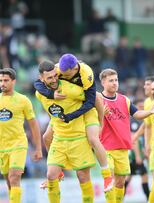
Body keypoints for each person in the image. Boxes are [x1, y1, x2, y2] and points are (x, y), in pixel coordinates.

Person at [34, 54, 113, 191]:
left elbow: (93, 100)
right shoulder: (57, 69)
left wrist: (101, 120)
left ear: (73, 69)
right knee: (46, 137)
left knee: (93, 139)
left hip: (86, 108)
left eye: (61, 74)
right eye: (56, 75)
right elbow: (37, 84)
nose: (58, 76)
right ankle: (58, 170)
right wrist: (51, 95)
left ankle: (107, 176)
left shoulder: (86, 74)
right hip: (66, 110)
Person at [36, 60, 97, 203]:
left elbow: (93, 99)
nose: (54, 80)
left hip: (78, 138)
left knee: (83, 177)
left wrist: (99, 119)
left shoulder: (71, 89)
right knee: (51, 175)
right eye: (49, 78)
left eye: (55, 76)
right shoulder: (40, 94)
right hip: (59, 139)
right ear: (42, 79)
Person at [0, 68, 42, 203]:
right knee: (9, 182)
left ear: (13, 81)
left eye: (6, 80)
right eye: (1, 80)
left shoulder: (23, 100)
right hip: (1, 146)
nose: (2, 83)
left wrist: (38, 148)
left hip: (18, 144)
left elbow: (33, 124)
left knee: (14, 176)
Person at [99, 68, 154, 203]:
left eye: (116, 80)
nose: (115, 83)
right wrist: (100, 114)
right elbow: (92, 123)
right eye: (111, 81)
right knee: (110, 180)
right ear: (103, 82)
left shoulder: (124, 100)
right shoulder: (98, 99)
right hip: (106, 148)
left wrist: (150, 111)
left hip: (122, 148)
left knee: (120, 182)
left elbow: (137, 114)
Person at [124, 100, 150, 200]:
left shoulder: (145, 120)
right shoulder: (134, 121)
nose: (142, 108)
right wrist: (138, 155)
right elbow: (134, 139)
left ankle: (117, 199)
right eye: (139, 106)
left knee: (129, 177)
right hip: (134, 155)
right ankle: (149, 199)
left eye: (143, 106)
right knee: (143, 176)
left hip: (139, 154)